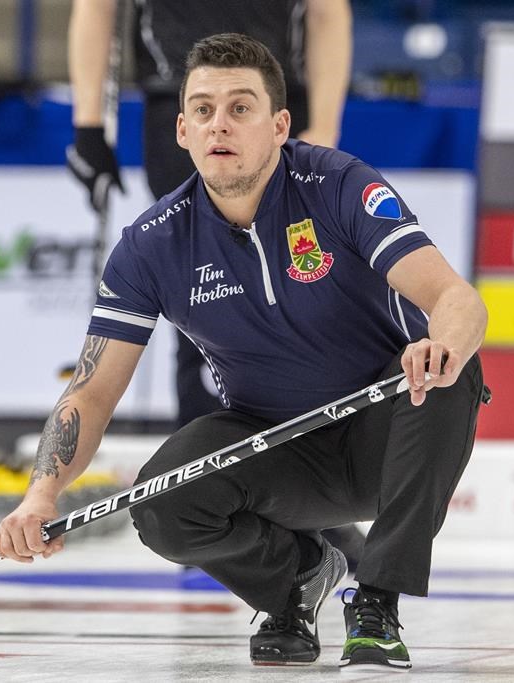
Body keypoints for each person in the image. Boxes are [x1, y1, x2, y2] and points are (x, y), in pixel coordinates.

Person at [0, 33, 487, 670]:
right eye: (202, 110)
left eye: (240, 108)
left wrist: (442, 345)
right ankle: (298, 579)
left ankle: (376, 600)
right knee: (162, 502)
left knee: (452, 365)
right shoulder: (150, 244)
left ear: (280, 124)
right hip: (275, 447)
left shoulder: (338, 185)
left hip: (385, 433)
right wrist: (41, 495)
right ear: (180, 130)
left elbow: (456, 299)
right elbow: (92, 389)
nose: (218, 125)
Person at [65, 0, 368, 568]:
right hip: (175, 98)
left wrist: (324, 124)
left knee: (301, 300)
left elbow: (328, 13)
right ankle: (212, 499)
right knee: (200, 311)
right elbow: (96, 6)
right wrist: (87, 121)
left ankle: (316, 508)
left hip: (274, 97)